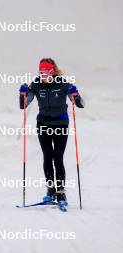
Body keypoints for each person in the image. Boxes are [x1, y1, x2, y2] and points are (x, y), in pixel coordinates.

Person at [19, 58, 85, 207]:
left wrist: (76, 95)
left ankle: (60, 191)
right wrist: (22, 94)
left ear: (52, 71)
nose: (43, 75)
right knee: (47, 156)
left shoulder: (63, 83)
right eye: (41, 72)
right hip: (43, 124)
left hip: (60, 124)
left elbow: (80, 105)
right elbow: (23, 105)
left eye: (46, 72)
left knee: (58, 158)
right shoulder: (36, 84)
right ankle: (51, 189)